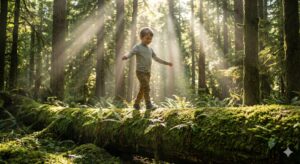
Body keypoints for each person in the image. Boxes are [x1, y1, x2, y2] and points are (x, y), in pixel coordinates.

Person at [122, 27, 173, 110]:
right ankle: (148, 105)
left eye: (150, 39)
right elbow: (131, 52)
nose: (149, 40)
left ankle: (136, 104)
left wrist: (167, 63)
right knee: (147, 87)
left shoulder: (150, 49)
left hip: (147, 72)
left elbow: (156, 58)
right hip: (140, 72)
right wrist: (126, 56)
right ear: (141, 38)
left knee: (143, 88)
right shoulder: (138, 47)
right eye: (147, 38)